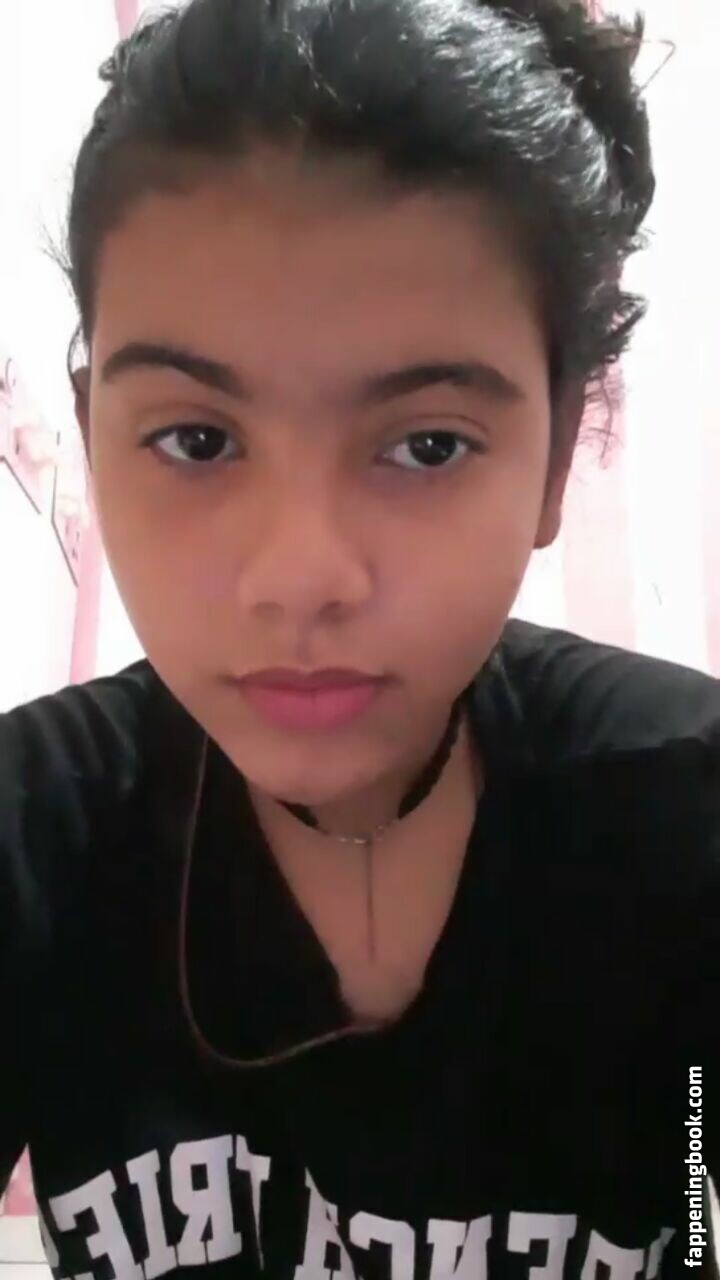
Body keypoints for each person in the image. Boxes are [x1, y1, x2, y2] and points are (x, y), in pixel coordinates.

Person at [1, 0, 718, 1275]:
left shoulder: (687, 808)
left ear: (556, 460)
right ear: (95, 432)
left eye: (427, 444)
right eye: (196, 439)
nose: (301, 580)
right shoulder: (32, 828)